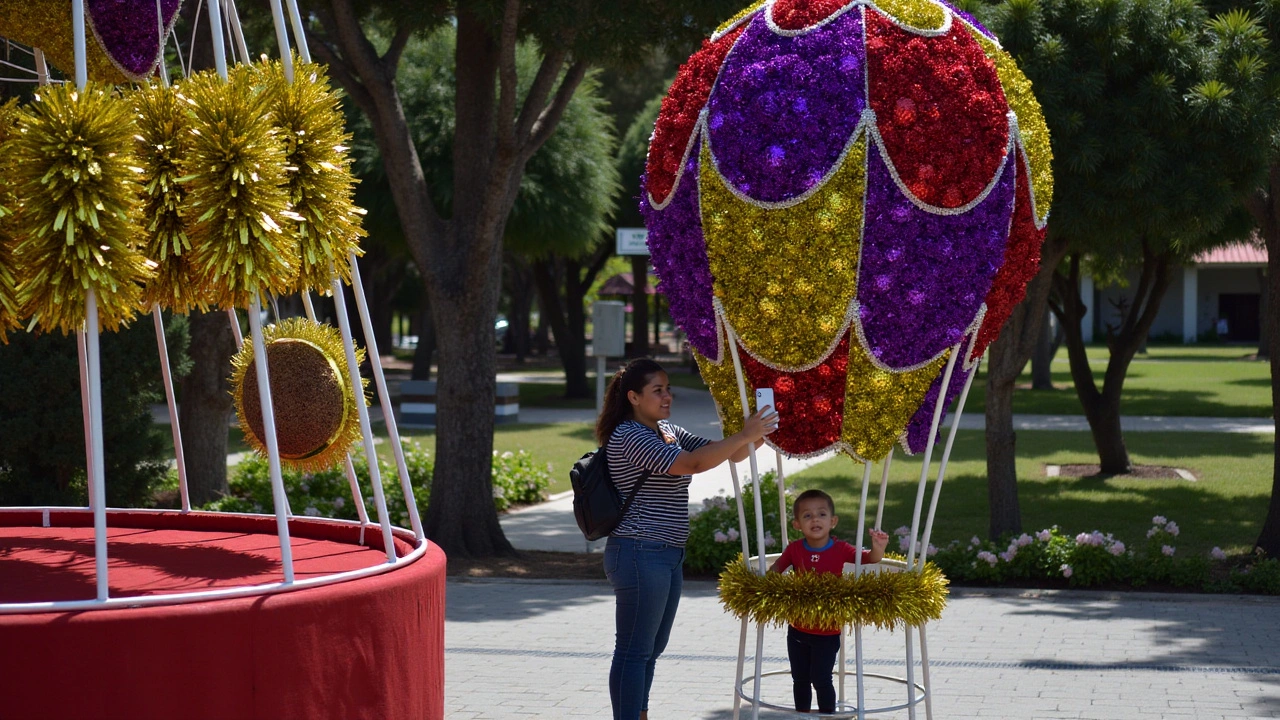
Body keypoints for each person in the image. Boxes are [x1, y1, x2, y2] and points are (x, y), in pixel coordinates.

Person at [597, 357, 778, 720]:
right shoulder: (629, 435)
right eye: (657, 390)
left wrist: (760, 430)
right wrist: (745, 434)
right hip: (637, 552)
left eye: (668, 389)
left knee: (651, 648)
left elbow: (729, 453)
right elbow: (692, 464)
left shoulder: (667, 430)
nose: (668, 396)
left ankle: (639, 712)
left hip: (666, 554)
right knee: (634, 650)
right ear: (633, 397)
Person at [769, 489, 890, 714]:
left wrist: (878, 548)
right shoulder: (794, 549)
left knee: (821, 679)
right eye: (807, 515)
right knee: (800, 678)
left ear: (832, 521)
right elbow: (775, 571)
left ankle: (828, 716)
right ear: (797, 524)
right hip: (797, 627)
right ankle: (802, 716)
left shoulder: (841, 548)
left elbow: (868, 559)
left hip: (827, 629)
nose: (815, 519)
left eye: (821, 514)